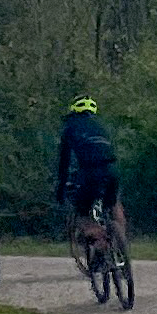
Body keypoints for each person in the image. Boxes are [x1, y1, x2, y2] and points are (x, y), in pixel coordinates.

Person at [52, 95, 127, 252]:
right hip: (112, 169)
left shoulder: (70, 127)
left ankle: (100, 239)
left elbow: (64, 161)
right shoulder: (101, 126)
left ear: (74, 111)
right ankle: (120, 242)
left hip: (90, 172)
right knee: (114, 203)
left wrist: (60, 189)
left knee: (82, 213)